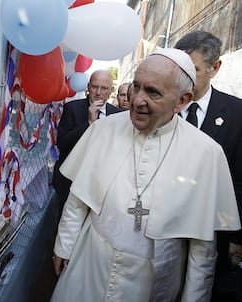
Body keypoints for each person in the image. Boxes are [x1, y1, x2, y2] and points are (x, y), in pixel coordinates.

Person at [50, 48, 241, 301]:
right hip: (90, 260)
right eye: (136, 87)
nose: (138, 100)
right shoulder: (104, 129)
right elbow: (78, 198)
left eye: (152, 92)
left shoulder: (206, 153)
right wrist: (64, 246)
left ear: (182, 101)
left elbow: (202, 248)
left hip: (152, 280)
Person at [174, 30, 242, 301]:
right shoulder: (165, 107)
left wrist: (236, 235)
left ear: (215, 68)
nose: (183, 79)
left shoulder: (237, 114)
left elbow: (239, 180)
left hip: (215, 232)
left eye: (194, 70)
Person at [52, 70, 121, 211]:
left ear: (111, 90)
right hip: (72, 179)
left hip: (102, 182)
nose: (98, 92)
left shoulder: (118, 115)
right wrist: (89, 123)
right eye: (95, 87)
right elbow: (63, 144)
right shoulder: (72, 108)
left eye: (104, 88)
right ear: (88, 87)